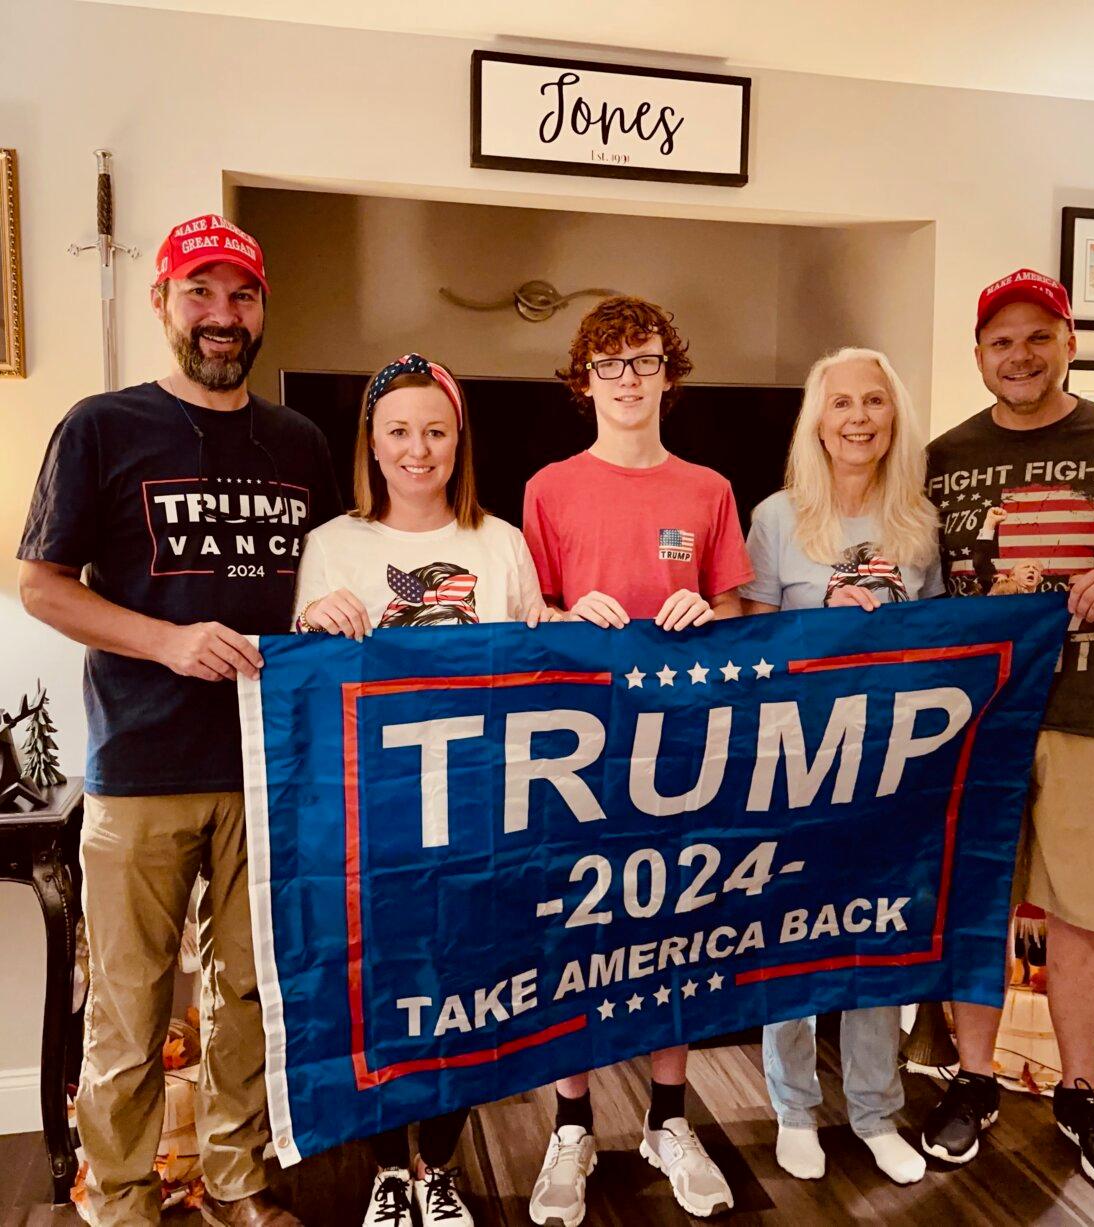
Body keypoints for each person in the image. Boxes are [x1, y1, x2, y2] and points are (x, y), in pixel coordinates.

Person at [18, 214, 341, 1226]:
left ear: (261, 311)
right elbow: (39, 586)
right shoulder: (100, 426)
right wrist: (164, 640)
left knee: (249, 997)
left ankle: (236, 1179)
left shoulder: (299, 442)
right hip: (141, 767)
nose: (221, 314)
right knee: (128, 1008)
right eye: (199, 293)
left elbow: (321, 579)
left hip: (268, 767)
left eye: (240, 296)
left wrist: (326, 612)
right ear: (163, 301)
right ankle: (118, 1197)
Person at [921, 268, 1094, 1191]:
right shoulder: (943, 457)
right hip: (975, 723)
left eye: (1038, 336)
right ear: (979, 356)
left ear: (1068, 342)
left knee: (1085, 915)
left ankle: (1084, 1091)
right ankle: (974, 1077)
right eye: (1001, 340)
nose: (1020, 355)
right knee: (977, 911)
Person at [292, 353, 552, 1227]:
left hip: (481, 815)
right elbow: (302, 679)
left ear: (458, 440)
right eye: (399, 430)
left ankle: (436, 1168)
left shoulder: (500, 541)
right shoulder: (333, 544)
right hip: (373, 819)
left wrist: (577, 620)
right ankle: (383, 1176)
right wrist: (310, 621)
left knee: (465, 991)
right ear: (371, 441)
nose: (418, 448)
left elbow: (539, 668)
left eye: (435, 430)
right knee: (377, 994)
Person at [522, 296, 752, 1225]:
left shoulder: (708, 489)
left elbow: (743, 613)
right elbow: (523, 616)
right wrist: (565, 617)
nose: (628, 379)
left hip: (684, 750)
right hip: (578, 752)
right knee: (577, 931)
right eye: (609, 364)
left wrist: (712, 610)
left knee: (677, 926)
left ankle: (667, 1117)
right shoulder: (547, 487)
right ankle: (571, 1124)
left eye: (644, 361)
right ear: (585, 381)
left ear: (669, 372)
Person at [742, 346, 939, 1187]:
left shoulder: (921, 526)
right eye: (841, 404)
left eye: (874, 402)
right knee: (789, 942)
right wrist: (819, 621)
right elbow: (745, 650)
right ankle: (794, 1108)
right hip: (790, 769)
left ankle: (874, 1109)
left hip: (888, 770)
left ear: (894, 417)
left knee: (874, 944)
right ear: (815, 421)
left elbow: (942, 652)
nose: (858, 417)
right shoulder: (777, 519)